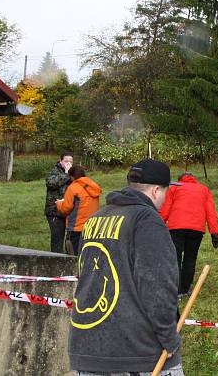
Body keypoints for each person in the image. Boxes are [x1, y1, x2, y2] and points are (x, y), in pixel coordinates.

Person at [69, 158, 183, 375]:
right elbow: (158, 286)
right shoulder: (146, 219)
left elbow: (84, 273)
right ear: (157, 191)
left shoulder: (95, 218)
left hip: (86, 348)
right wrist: (169, 337)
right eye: (167, 192)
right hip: (135, 356)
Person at [159, 172, 218, 298]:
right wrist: (214, 233)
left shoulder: (175, 188)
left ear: (180, 179)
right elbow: (211, 212)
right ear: (194, 179)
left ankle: (174, 289)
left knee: (175, 258)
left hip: (176, 228)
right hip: (196, 229)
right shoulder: (204, 190)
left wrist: (158, 225)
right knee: (190, 259)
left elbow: (165, 209)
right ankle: (184, 289)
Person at [56, 165, 102, 255]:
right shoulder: (93, 186)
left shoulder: (73, 188)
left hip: (76, 229)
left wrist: (59, 203)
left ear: (71, 176)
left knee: (73, 257)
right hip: (92, 227)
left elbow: (66, 209)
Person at [44, 152, 73, 253]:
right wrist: (66, 174)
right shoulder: (54, 171)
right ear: (60, 161)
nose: (68, 163)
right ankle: (56, 261)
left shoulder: (74, 173)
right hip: (54, 211)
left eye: (70, 162)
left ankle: (70, 261)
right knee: (57, 239)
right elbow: (51, 184)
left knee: (70, 239)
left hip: (69, 211)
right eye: (66, 161)